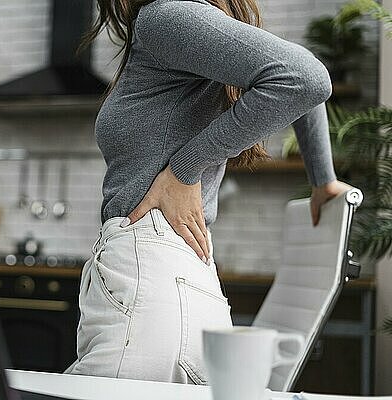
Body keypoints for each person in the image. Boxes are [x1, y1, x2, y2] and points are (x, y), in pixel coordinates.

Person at [63, 0, 351, 384]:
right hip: (167, 285)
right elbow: (301, 70)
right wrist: (322, 180)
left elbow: (305, 78)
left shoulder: (164, 17)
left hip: (152, 286)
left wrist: (186, 168)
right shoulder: (184, 22)